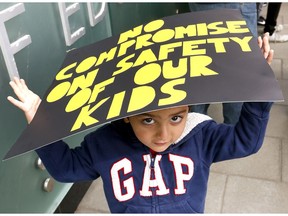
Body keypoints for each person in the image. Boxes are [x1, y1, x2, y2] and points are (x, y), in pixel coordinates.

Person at [7, 34, 273, 213]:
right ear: (126, 114)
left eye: (176, 117)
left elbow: (246, 141)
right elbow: (67, 169)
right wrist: (40, 123)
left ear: (188, 108)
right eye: (147, 120)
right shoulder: (106, 143)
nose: (163, 134)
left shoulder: (201, 135)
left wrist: (259, 88)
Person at [188, 3, 258, 124]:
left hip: (200, 8)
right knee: (238, 83)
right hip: (236, 7)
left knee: (201, 74)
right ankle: (232, 138)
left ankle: (195, 134)